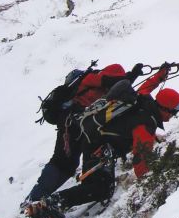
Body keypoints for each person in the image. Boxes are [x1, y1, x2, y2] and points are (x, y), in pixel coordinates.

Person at [24, 66, 179, 218]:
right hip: (99, 148)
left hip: (95, 140)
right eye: (175, 110)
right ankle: (51, 204)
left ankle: (49, 204)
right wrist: (151, 182)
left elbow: (147, 86)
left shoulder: (143, 99)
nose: (175, 113)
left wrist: (160, 75)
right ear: (165, 109)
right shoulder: (145, 126)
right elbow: (141, 161)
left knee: (96, 183)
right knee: (100, 188)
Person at [23, 63, 147, 206]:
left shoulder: (105, 83)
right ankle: (35, 198)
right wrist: (130, 76)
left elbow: (118, 85)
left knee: (67, 163)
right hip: (71, 124)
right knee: (62, 163)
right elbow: (116, 83)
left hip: (82, 123)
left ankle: (83, 187)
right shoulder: (92, 78)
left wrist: (134, 74)